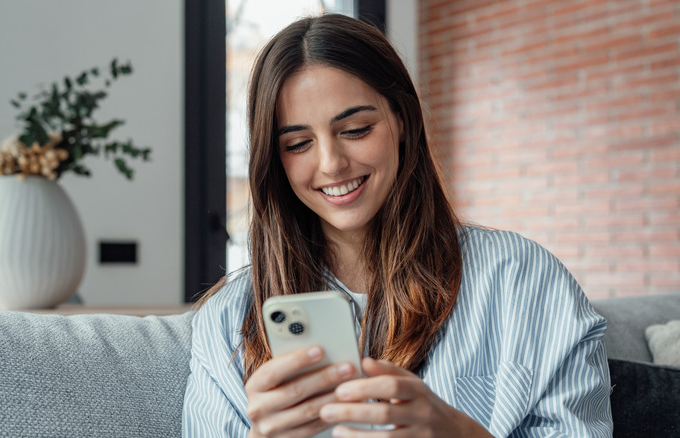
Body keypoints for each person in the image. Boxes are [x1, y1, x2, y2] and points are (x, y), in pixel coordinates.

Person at [182, 13, 613, 438]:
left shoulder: (522, 280)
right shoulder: (228, 323)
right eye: (298, 144)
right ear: (274, 160)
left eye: (355, 129)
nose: (331, 164)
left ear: (402, 119)